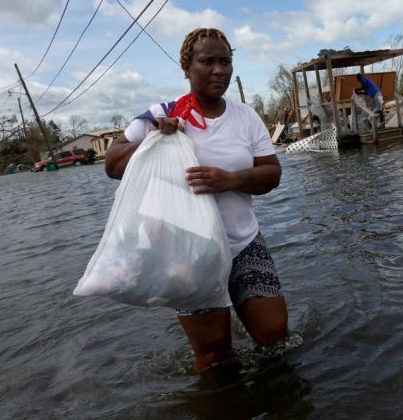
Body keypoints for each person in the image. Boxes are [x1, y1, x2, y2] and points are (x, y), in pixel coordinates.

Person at [104, 28, 288, 373]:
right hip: (186, 252)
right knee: (213, 356)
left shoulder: (246, 117)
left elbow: (272, 173)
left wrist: (231, 180)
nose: (219, 70)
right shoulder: (164, 113)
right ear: (186, 68)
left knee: (275, 335)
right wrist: (155, 137)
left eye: (226, 61)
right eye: (207, 61)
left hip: (244, 243)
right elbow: (112, 165)